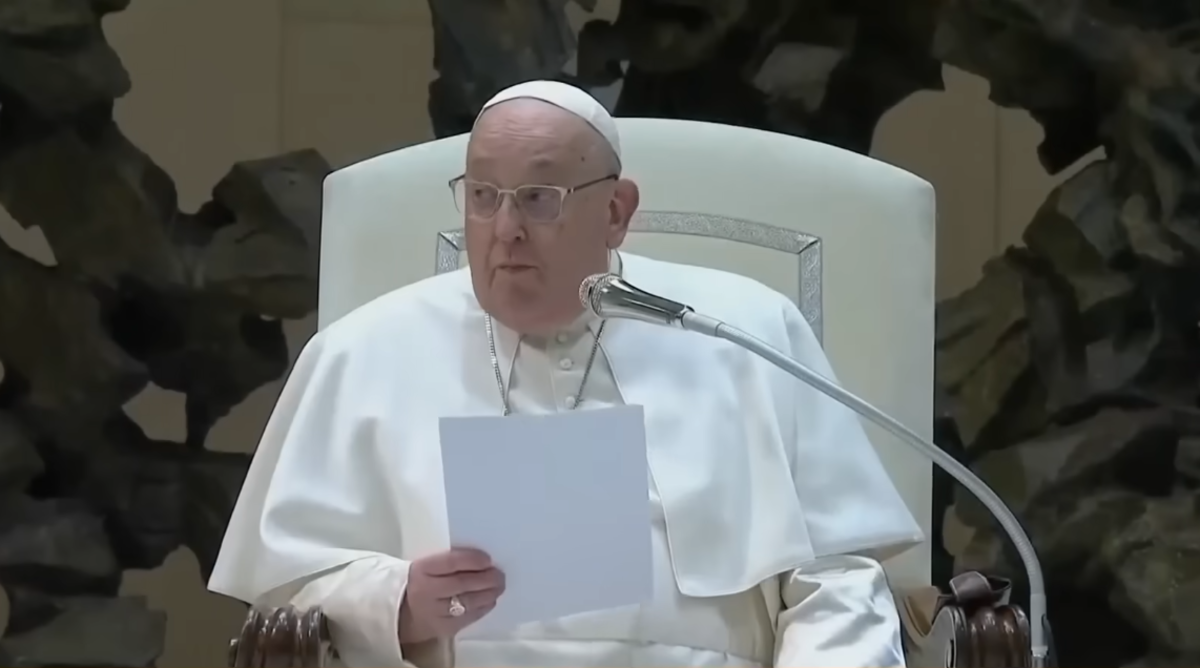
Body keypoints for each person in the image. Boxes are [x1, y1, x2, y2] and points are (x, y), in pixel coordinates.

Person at [209, 80, 924, 668]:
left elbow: (839, 581)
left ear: (616, 211)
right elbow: (284, 597)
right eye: (483, 196)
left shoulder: (743, 330)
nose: (504, 229)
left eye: (539, 198)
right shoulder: (361, 353)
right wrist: (394, 604)